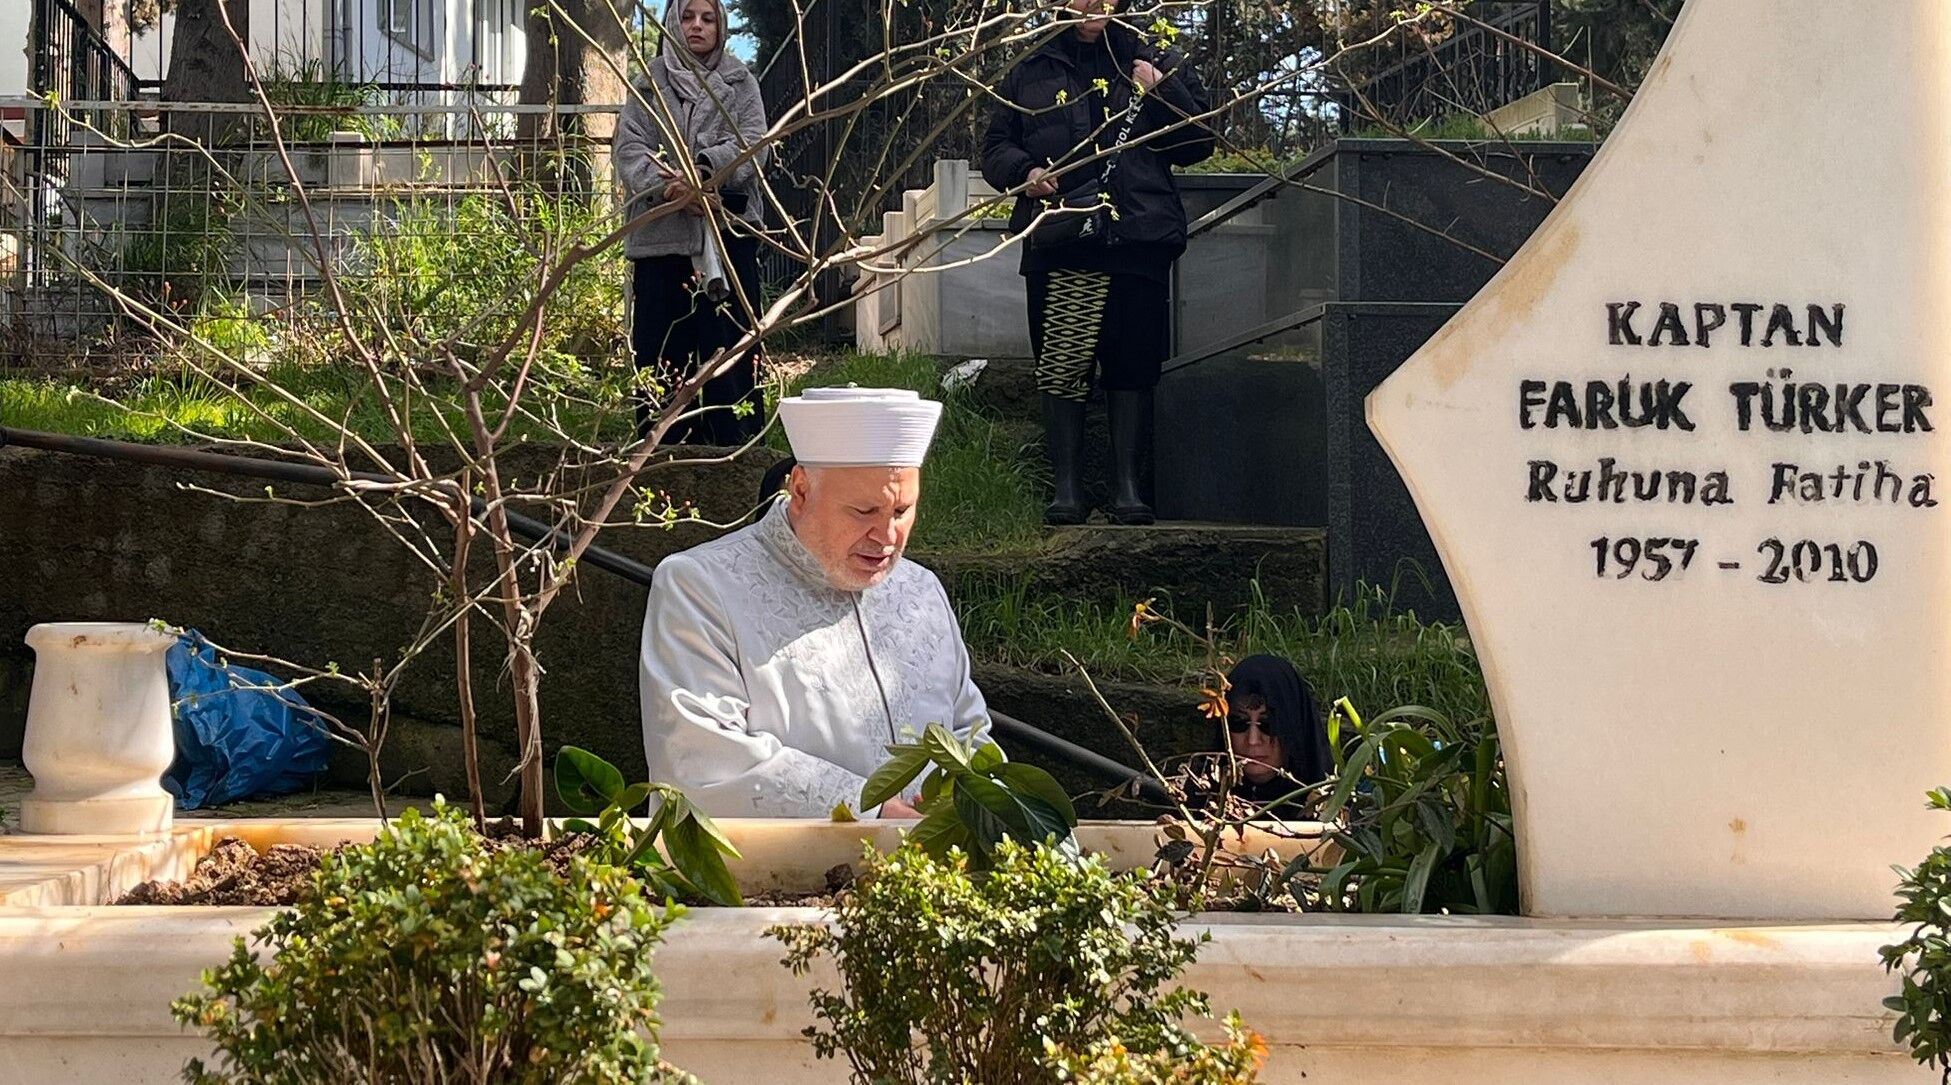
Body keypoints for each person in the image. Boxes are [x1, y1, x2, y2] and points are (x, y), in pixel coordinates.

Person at [639, 388, 991, 817]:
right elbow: (701, 759)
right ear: (801, 489)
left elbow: (970, 735)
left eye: (901, 512)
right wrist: (874, 813)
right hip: (773, 876)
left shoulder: (920, 590)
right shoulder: (699, 586)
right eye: (864, 511)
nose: (886, 537)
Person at [981, 0, 1214, 526]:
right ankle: (1068, 488)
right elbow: (996, 145)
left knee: (1132, 363)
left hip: (1137, 235)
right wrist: (1025, 170)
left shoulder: (1154, 52)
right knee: (1062, 362)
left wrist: (1162, 90)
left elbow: (1200, 141)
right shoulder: (1030, 65)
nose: (1092, 6)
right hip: (1064, 235)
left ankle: (1128, 488)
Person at [613, 0, 769, 446]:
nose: (697, 26)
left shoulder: (741, 83)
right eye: (687, 17)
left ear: (720, 26)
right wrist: (671, 189)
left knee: (730, 348)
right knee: (663, 352)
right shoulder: (648, 84)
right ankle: (663, 456)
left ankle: (734, 449)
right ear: (673, 24)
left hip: (727, 233)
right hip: (661, 239)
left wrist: (704, 172)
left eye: (707, 18)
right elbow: (630, 148)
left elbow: (755, 145)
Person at [1220, 655, 1333, 809]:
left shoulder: (1332, 805)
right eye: (1238, 723)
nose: (1253, 740)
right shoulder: (1200, 799)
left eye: (1269, 724)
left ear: (1293, 727)